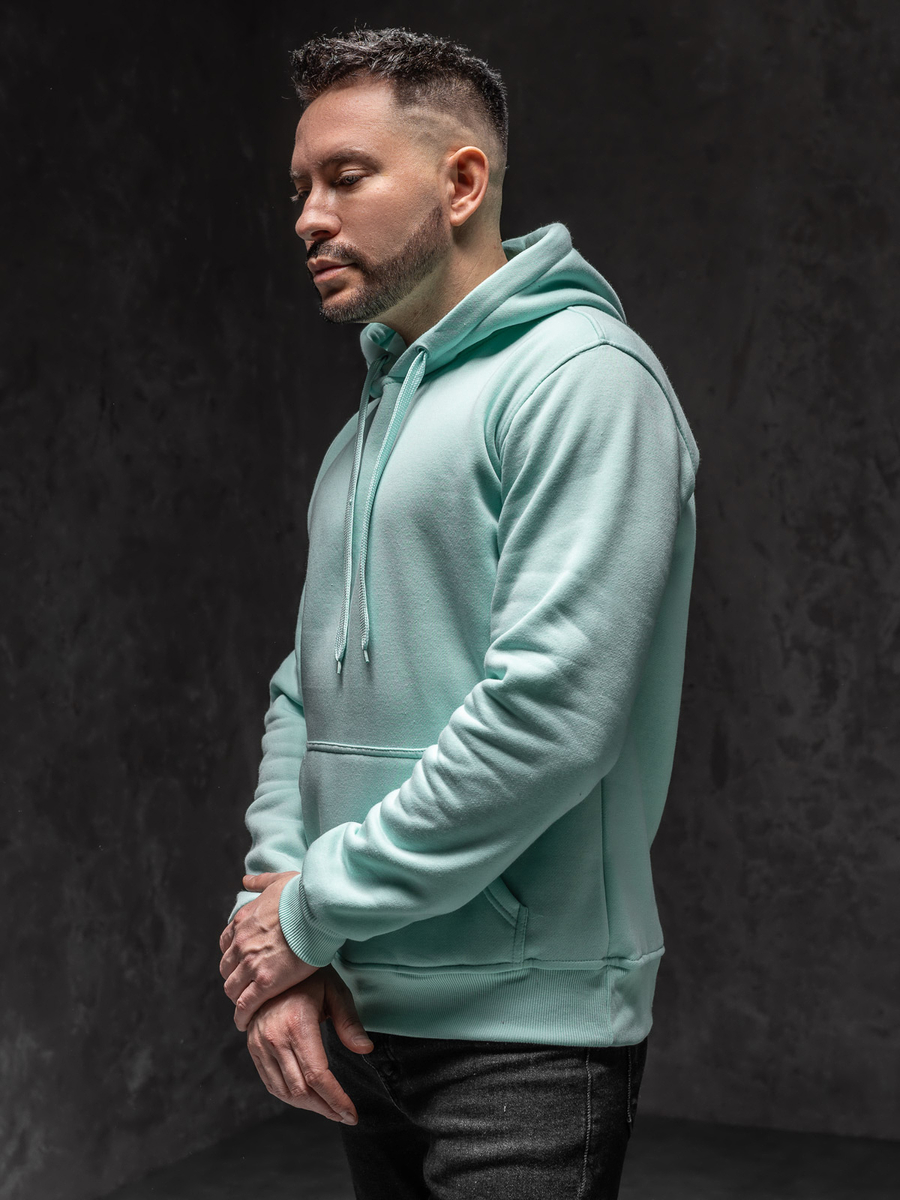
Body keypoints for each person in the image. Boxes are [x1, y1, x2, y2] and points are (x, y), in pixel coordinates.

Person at [217, 25, 700, 1200]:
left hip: (524, 1042)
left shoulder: (584, 381)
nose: (309, 219)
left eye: (346, 177)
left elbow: (550, 719)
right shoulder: (363, 433)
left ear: (464, 182)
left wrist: (310, 912)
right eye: (299, 188)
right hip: (357, 1005)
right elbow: (302, 694)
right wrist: (277, 928)